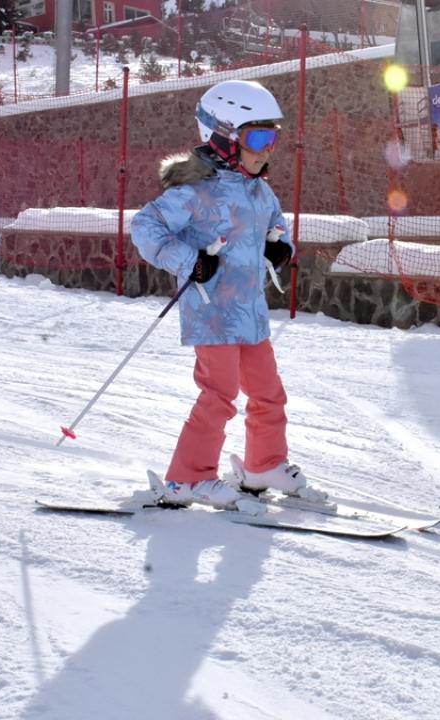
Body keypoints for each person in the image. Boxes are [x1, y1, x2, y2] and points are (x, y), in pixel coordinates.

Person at [130, 79, 313, 511]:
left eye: (273, 138)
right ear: (224, 136)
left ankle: (263, 465)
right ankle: (187, 478)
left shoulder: (259, 189)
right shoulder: (195, 191)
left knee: (269, 392)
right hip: (212, 312)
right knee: (220, 394)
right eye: (258, 137)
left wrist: (280, 244)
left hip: (249, 310)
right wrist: (186, 259)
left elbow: (276, 225)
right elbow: (145, 227)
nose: (268, 148)